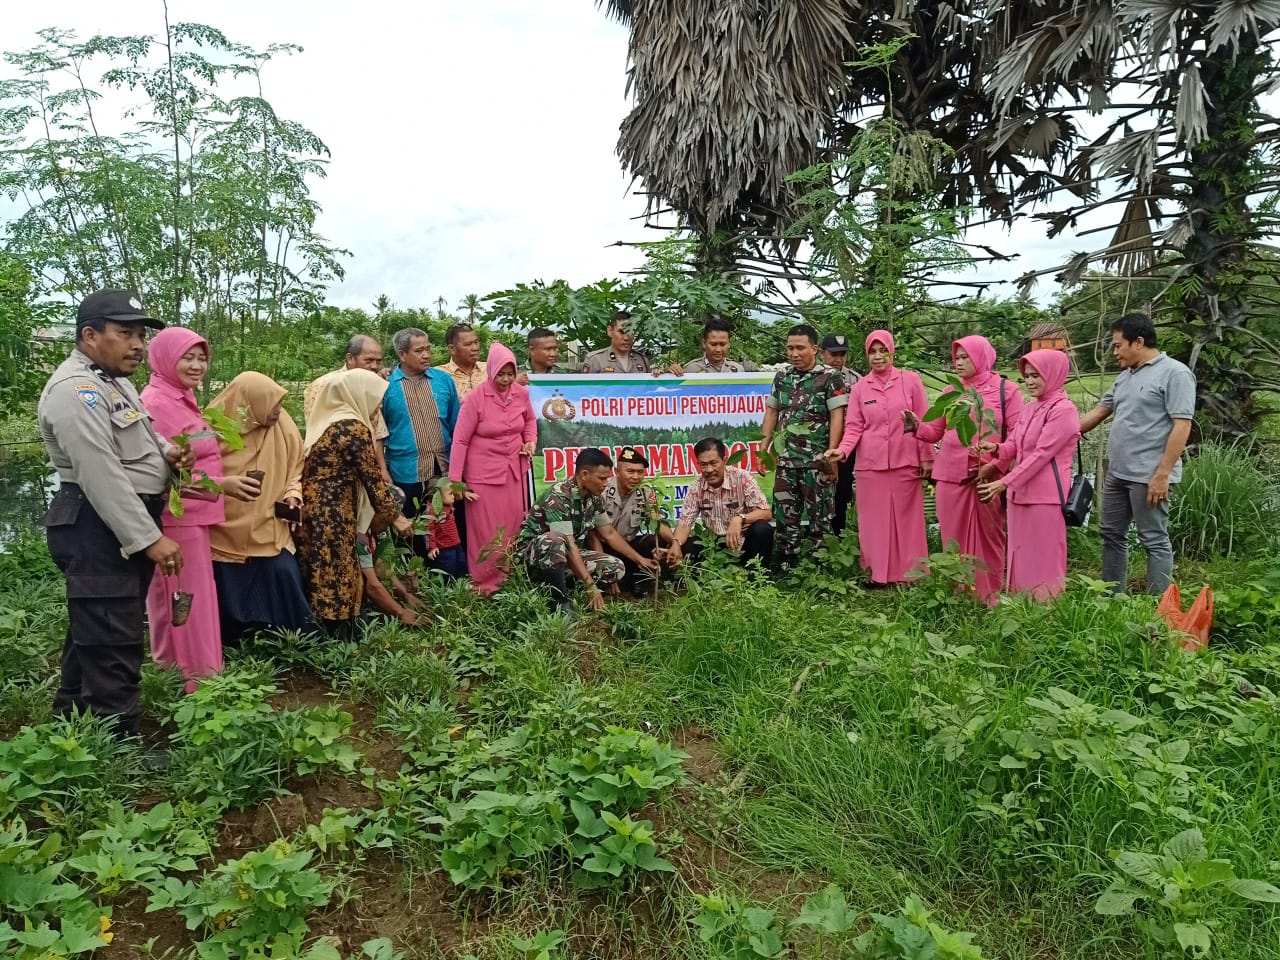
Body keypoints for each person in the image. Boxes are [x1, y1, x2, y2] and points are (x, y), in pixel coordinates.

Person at [38, 289, 193, 739]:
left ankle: (69, 723)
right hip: (96, 523)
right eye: (125, 333)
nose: (138, 345)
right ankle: (120, 744)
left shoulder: (112, 381)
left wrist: (169, 456)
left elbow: (138, 440)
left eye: (141, 334)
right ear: (89, 335)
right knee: (114, 636)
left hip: (115, 522)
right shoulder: (76, 391)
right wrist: (147, 537)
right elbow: (100, 473)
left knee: (96, 627)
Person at [141, 328, 261, 690]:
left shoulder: (182, 398)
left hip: (193, 517)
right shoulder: (156, 404)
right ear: (163, 359)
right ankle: (188, 681)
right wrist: (223, 485)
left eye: (201, 358)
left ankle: (202, 675)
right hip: (175, 517)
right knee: (180, 600)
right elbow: (158, 475)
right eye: (187, 357)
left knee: (195, 598)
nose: (197, 366)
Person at [1079, 314, 1195, 594]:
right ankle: (1110, 596)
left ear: (1139, 342)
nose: (1115, 352)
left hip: (1149, 476)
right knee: (1111, 534)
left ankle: (1156, 606)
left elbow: (1182, 425)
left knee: (1153, 539)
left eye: (1119, 345)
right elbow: (1100, 411)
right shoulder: (1125, 376)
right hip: (1117, 473)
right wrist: (1053, 432)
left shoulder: (1175, 374)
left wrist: (1162, 474)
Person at [904, 335, 1025, 603]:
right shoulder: (952, 392)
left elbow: (1018, 436)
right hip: (950, 475)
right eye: (956, 357)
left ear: (981, 357)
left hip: (987, 476)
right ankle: (958, 595)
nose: (957, 362)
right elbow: (935, 431)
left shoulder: (1007, 391)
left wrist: (996, 466)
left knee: (990, 536)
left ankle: (989, 594)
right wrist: (916, 427)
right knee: (953, 537)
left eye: (964, 357)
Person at [296, 368, 414, 633]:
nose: (378, 405)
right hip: (334, 512)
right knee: (338, 571)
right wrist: (397, 518)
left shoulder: (326, 420)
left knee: (320, 570)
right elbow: (373, 479)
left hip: (315, 509)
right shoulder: (351, 427)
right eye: (376, 398)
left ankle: (317, 631)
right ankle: (341, 635)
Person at [207, 372, 315, 643]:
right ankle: (234, 641)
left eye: (280, 404)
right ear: (249, 404)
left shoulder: (284, 427)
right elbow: (194, 473)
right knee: (230, 584)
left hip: (269, 524)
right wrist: (223, 484)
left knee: (282, 571)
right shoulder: (214, 427)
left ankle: (292, 638)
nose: (278, 411)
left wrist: (293, 494)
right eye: (271, 405)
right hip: (224, 529)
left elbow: (296, 469)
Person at [825, 330, 930, 585]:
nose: (878, 356)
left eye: (883, 350)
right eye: (872, 351)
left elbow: (924, 421)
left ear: (892, 351)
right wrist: (843, 450)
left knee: (908, 520)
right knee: (874, 522)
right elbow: (855, 426)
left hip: (905, 461)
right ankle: (877, 574)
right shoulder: (861, 387)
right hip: (870, 465)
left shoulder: (910, 380)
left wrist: (927, 457)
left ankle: (912, 574)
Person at [977, 350, 1081, 601]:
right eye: (1027, 376)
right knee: (1020, 551)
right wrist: (998, 449)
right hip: (1020, 493)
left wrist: (1004, 481)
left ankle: (1045, 607)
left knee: (1042, 554)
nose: (1030, 382)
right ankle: (1021, 603)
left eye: (1037, 375)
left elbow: (1042, 455)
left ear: (1054, 375)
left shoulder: (1063, 410)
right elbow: (1015, 442)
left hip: (1044, 495)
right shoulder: (1031, 407)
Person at [517, 448, 658, 612]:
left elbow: (609, 534)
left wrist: (640, 560)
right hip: (535, 557)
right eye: (602, 478)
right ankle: (559, 602)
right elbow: (568, 543)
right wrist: (591, 585)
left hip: (567, 555)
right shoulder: (559, 497)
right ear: (584, 475)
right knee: (555, 540)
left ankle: (568, 588)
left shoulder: (594, 498)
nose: (606, 483)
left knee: (614, 567)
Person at [447, 343, 537, 594]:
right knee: (486, 531)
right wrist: (456, 481)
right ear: (491, 371)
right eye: (501, 374)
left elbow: (529, 420)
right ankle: (485, 583)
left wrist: (530, 442)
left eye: (510, 374)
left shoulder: (521, 394)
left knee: (513, 525)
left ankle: (509, 577)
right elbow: (461, 440)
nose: (506, 379)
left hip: (514, 472)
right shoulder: (476, 399)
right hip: (483, 475)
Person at [760, 323, 848, 569]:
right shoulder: (782, 377)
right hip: (786, 461)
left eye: (800, 348)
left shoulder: (830, 377)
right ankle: (787, 565)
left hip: (816, 461)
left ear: (815, 348)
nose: (794, 353)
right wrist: (763, 449)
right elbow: (772, 413)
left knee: (821, 517)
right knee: (786, 517)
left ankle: (823, 568)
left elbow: (837, 416)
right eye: (790, 348)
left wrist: (831, 454)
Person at [382, 327, 461, 559]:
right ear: (402, 354)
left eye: (428, 349)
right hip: (406, 470)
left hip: (442, 466)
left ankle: (446, 575)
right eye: (419, 351)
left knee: (446, 522)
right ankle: (412, 575)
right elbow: (379, 431)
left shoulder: (443, 381)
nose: (426, 355)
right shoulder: (386, 386)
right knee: (412, 527)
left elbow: (457, 426)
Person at [668, 438, 774, 568]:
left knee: (762, 529)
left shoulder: (742, 478)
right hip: (714, 546)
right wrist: (676, 544)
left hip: (744, 542)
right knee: (687, 545)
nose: (709, 469)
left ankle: (757, 576)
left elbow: (766, 512)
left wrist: (739, 518)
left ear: (724, 461)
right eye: (703, 464)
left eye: (714, 463)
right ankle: (700, 579)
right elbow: (685, 524)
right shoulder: (696, 488)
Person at [304, 335, 391, 481]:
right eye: (369, 361)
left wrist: (382, 470)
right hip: (330, 470)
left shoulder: (373, 385)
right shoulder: (324, 385)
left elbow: (377, 431)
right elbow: (315, 431)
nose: (375, 366)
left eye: (378, 361)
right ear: (350, 358)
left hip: (366, 469)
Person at [594, 447, 677, 594]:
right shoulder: (602, 491)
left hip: (628, 545)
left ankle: (641, 579)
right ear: (617, 472)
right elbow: (594, 535)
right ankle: (613, 578)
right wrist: (605, 565)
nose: (636, 477)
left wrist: (675, 543)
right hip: (603, 548)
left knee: (654, 541)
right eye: (630, 471)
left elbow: (657, 521)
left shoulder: (646, 491)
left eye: (640, 472)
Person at [820, 334, 861, 535]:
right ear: (822, 353)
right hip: (818, 441)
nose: (838, 359)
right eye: (833, 354)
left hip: (846, 444)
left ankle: (838, 534)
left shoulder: (855, 379)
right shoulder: (814, 376)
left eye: (842, 354)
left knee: (841, 490)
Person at [581, 311, 652, 373]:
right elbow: (586, 387)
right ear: (610, 331)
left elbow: (649, 387)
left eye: (630, 332)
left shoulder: (642, 360)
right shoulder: (595, 360)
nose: (626, 338)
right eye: (621, 332)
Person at [678, 317, 751, 374]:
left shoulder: (738, 370)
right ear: (704, 343)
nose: (718, 349)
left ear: (729, 344)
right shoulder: (691, 369)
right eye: (713, 344)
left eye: (723, 344)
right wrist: (669, 373)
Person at [437, 323, 487, 400]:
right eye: (468, 344)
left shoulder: (489, 370)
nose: (475, 348)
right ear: (452, 349)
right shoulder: (439, 376)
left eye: (476, 342)